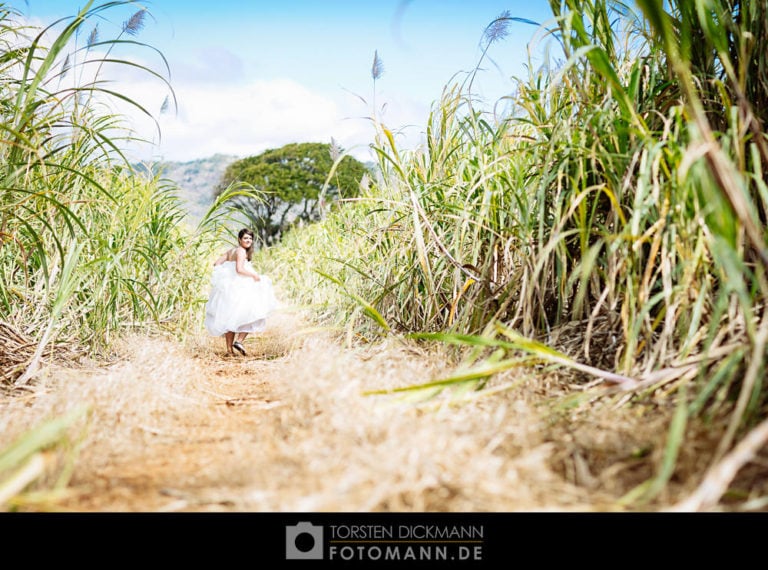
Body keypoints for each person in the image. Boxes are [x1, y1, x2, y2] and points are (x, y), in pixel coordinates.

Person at [204, 228, 277, 356]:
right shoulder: (241, 251)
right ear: (239, 239)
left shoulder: (231, 251)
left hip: (229, 288)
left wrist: (226, 273)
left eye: (250, 239)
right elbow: (239, 269)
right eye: (245, 238)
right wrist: (253, 275)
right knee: (252, 311)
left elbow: (216, 264)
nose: (248, 241)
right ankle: (239, 341)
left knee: (230, 317)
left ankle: (229, 350)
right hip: (241, 286)